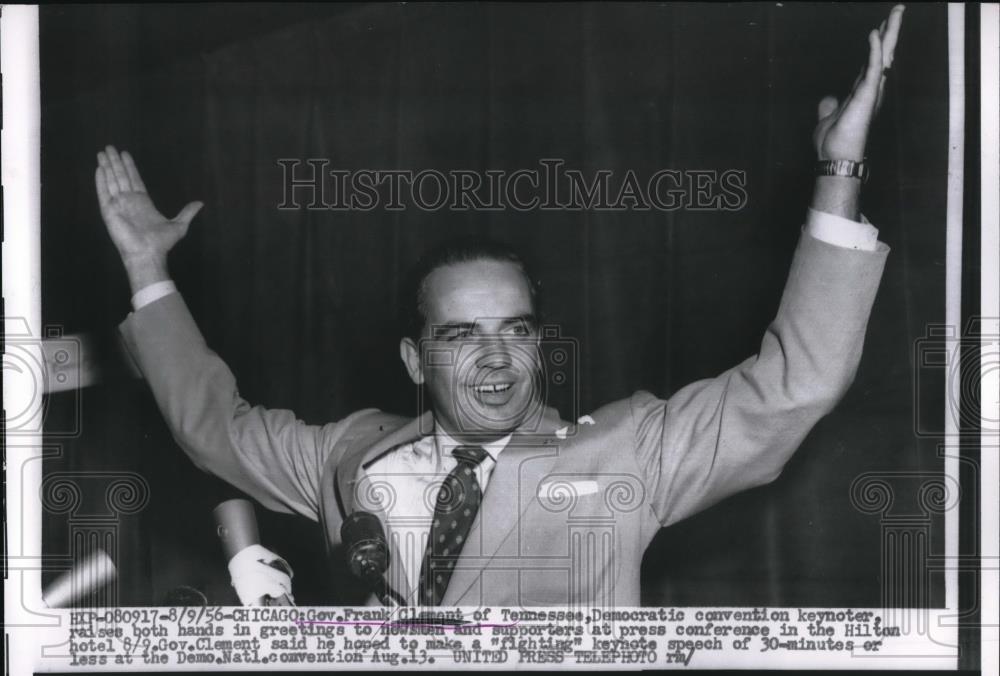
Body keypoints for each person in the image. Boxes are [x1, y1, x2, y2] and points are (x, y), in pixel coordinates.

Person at [96, 7, 905, 608]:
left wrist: (841, 171)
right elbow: (216, 430)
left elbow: (796, 383)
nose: (496, 357)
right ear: (415, 358)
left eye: (516, 330)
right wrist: (146, 267)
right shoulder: (348, 455)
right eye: (461, 334)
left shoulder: (627, 453)